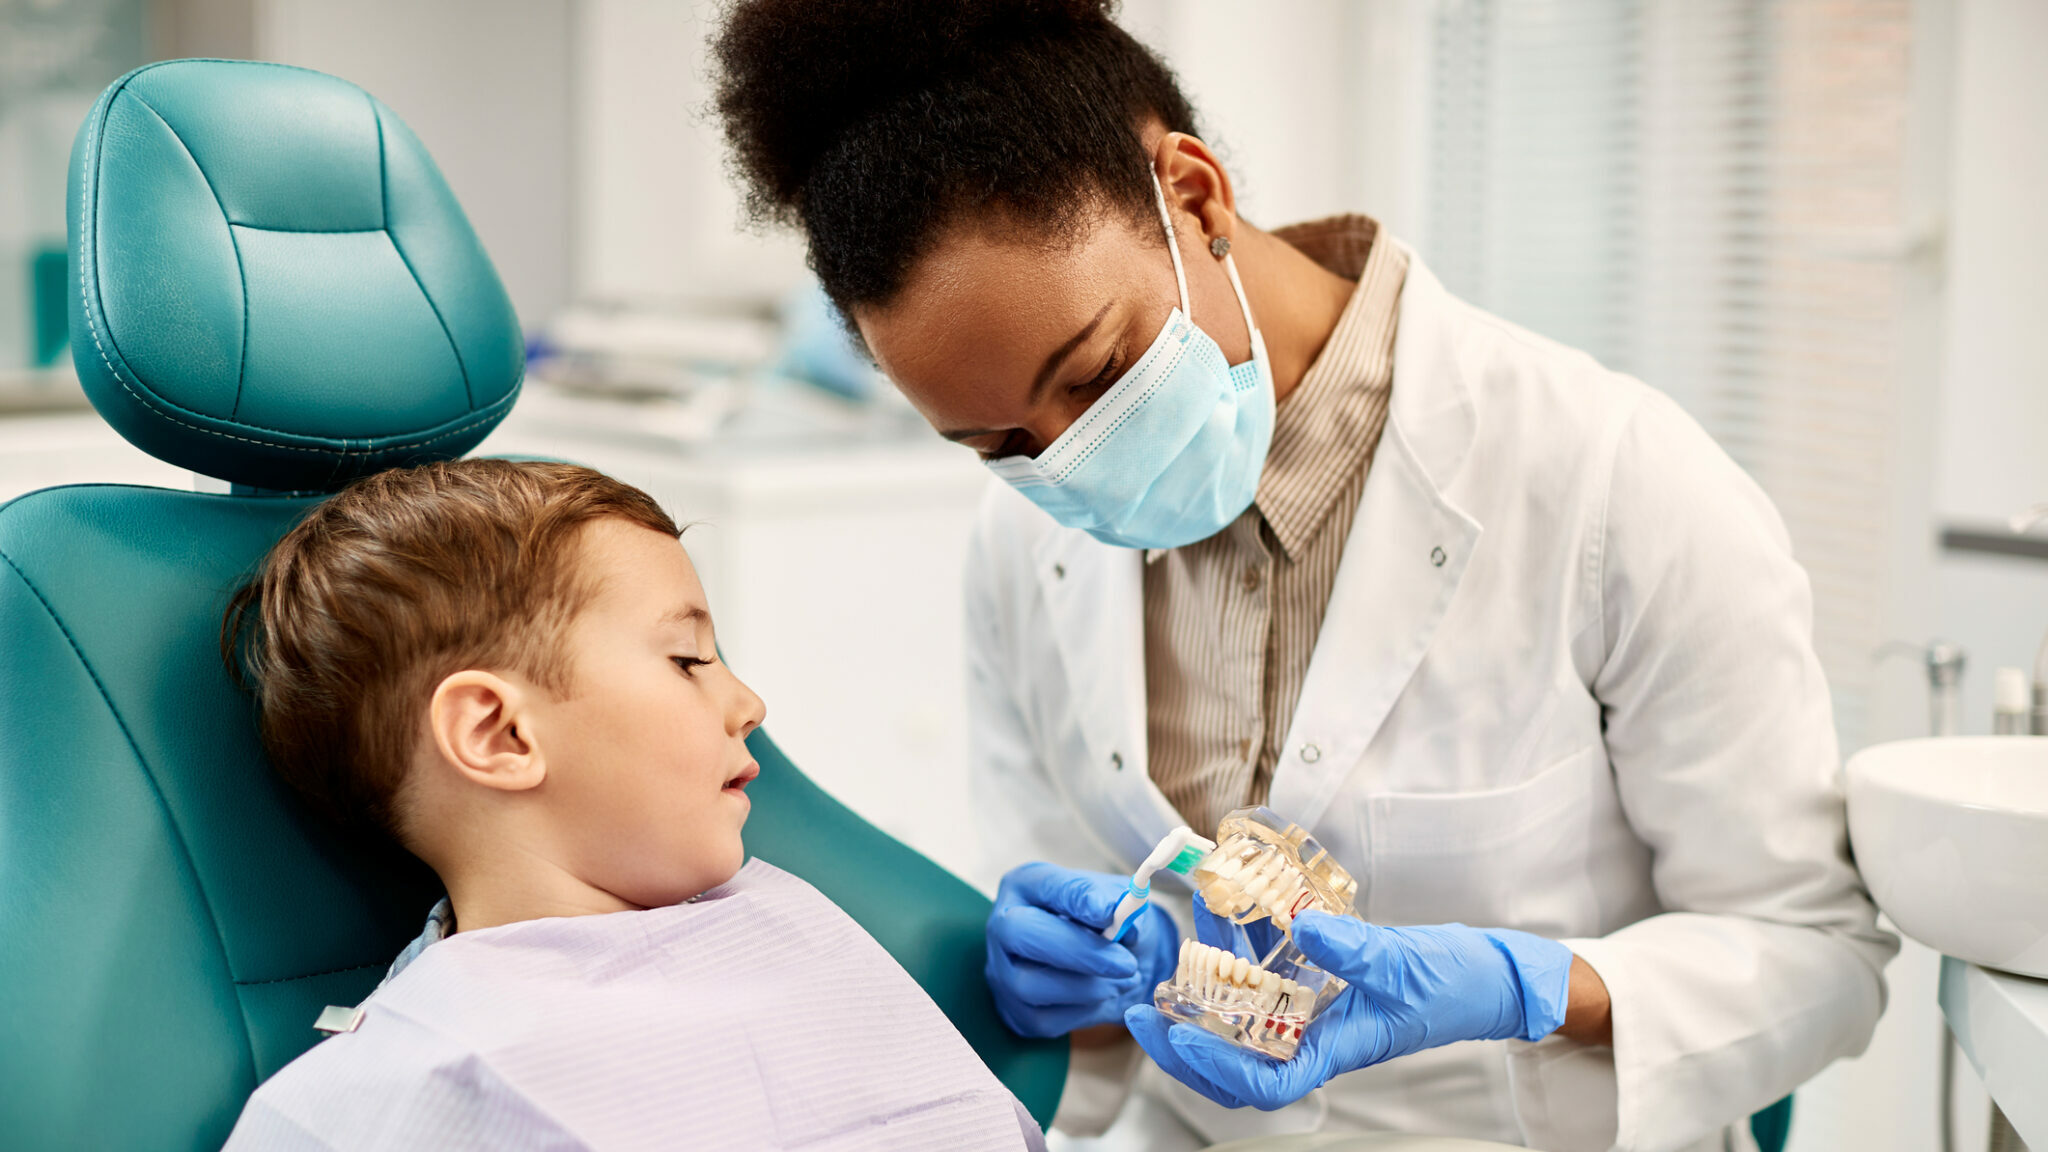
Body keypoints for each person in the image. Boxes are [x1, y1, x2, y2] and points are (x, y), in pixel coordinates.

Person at [708, 1, 1899, 1149]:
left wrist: (1526, 987)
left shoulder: (1610, 477)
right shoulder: (1023, 543)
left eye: (1092, 371)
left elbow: (1816, 954)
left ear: (1192, 193)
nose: (1066, 459)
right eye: (995, 445)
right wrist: (1045, 980)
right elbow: (1075, 960)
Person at [216, 459, 1044, 1152]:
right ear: (499, 733)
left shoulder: (779, 923)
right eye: (688, 659)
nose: (750, 701)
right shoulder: (379, 1097)